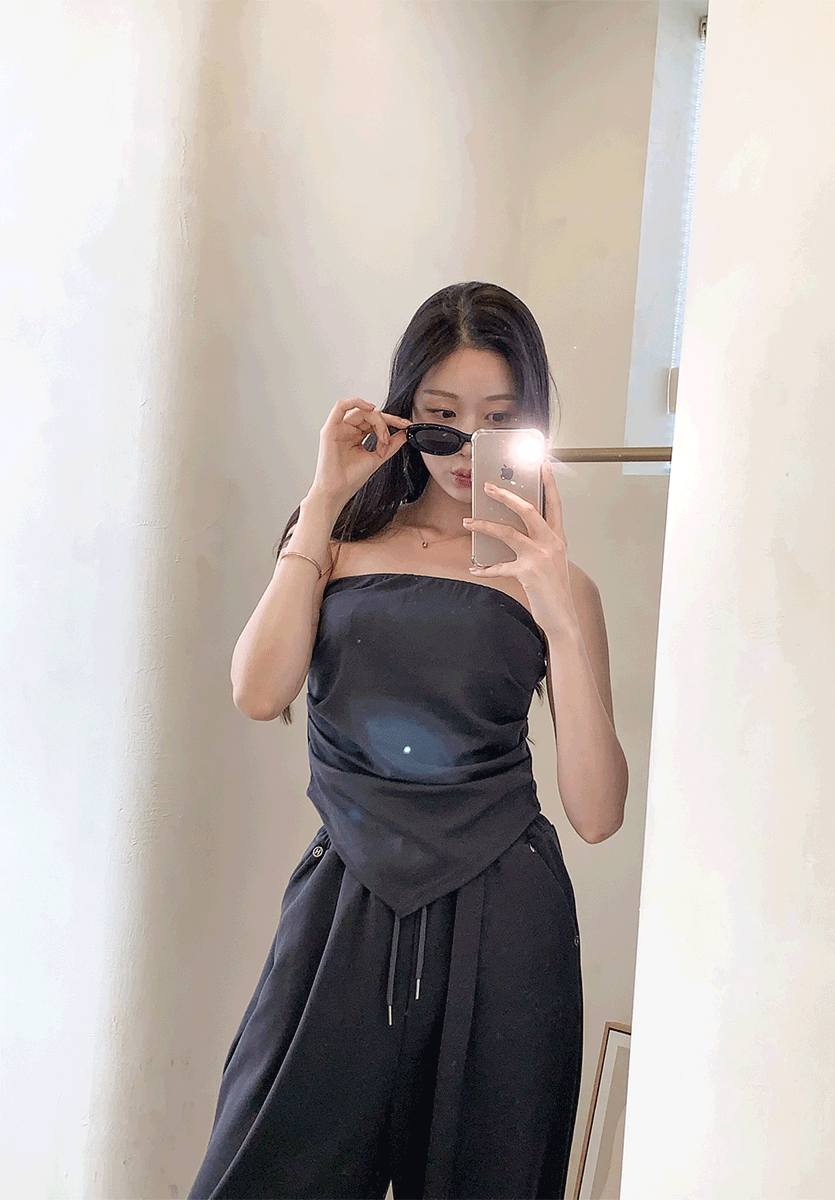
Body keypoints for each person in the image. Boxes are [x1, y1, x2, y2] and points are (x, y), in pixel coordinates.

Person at [188, 281, 627, 1200]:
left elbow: (596, 813)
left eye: (498, 418)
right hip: (343, 904)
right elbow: (256, 691)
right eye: (442, 416)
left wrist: (555, 604)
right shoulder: (337, 547)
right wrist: (323, 498)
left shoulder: (561, 586)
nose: (466, 444)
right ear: (402, 416)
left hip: (507, 916)